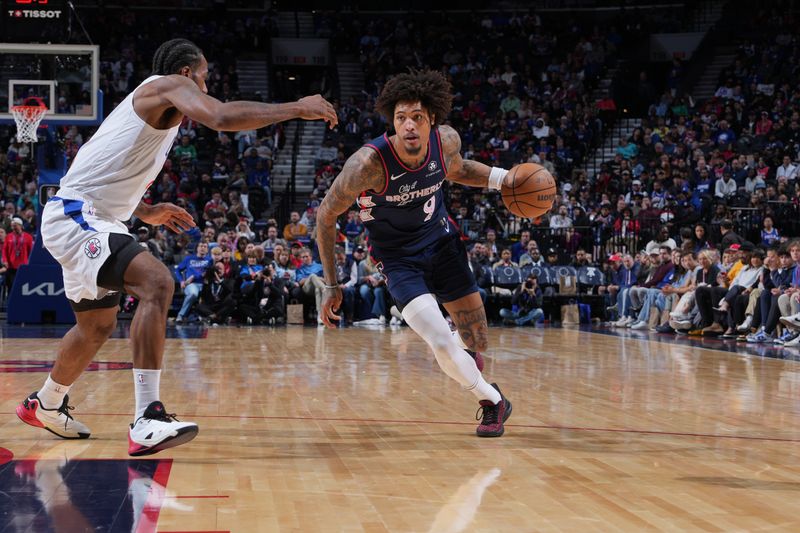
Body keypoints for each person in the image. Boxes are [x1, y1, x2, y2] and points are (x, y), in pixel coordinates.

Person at [16, 38, 337, 455]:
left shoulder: (155, 107)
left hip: (90, 215)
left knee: (96, 326)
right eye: (204, 75)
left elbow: (102, 169)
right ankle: (147, 416)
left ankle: (47, 401)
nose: (206, 84)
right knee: (157, 282)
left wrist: (145, 209)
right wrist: (297, 107)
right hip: (78, 217)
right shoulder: (166, 85)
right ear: (186, 73)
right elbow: (220, 117)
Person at [315, 69, 511, 438]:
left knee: (476, 341)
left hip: (442, 243)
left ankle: (463, 352)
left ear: (431, 119)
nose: (408, 125)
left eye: (417, 117)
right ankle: (492, 400)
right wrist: (331, 284)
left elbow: (460, 169)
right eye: (401, 117)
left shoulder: (445, 141)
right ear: (392, 120)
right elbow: (325, 218)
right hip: (398, 259)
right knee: (437, 339)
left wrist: (505, 179)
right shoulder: (366, 165)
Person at [1, 217, 33, 294]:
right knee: (11, 287)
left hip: (23, 266)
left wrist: (29, 262)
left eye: (15, 225)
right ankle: (9, 304)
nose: (13, 227)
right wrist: (5, 261)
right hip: (11, 267)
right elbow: (4, 250)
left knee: (22, 286)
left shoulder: (28, 237)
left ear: (21, 225)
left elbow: (31, 251)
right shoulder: (8, 236)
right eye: (12, 226)